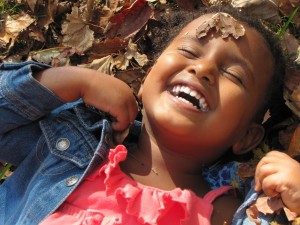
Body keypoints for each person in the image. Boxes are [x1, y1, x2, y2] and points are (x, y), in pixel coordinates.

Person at [0, 5, 292, 225]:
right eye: (190, 50)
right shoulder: (67, 140)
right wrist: (67, 82)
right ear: (147, 79)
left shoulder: (227, 214)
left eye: (233, 74)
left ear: (247, 136)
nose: (203, 69)